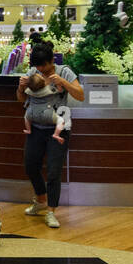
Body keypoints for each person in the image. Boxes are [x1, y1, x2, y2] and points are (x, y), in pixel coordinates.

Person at [18, 40, 83, 229]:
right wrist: (21, 87)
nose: (41, 71)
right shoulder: (33, 73)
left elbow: (80, 94)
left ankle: (51, 212)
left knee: (54, 171)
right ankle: (41, 200)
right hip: (36, 127)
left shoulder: (64, 71)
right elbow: (21, 99)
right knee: (30, 165)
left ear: (52, 60)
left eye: (44, 67)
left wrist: (63, 83)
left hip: (59, 128)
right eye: (38, 67)